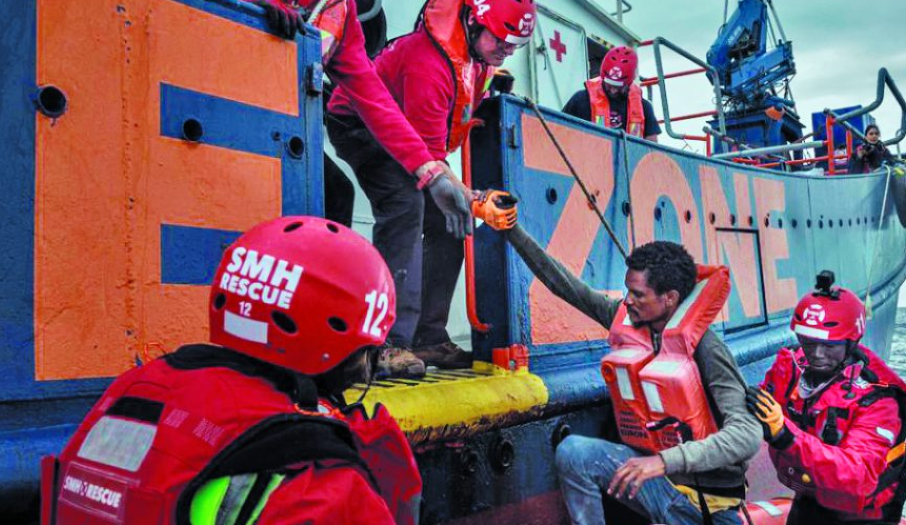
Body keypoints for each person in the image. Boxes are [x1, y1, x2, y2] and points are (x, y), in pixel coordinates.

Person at [42, 216, 421, 525]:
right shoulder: (318, 477)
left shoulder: (135, 388)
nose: (363, 371)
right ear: (329, 347)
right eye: (365, 353)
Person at [475, 199, 757, 524]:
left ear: (670, 299)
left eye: (639, 294)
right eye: (628, 292)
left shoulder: (708, 348)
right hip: (657, 486)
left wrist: (663, 461)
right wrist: (511, 230)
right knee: (574, 453)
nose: (628, 301)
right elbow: (565, 286)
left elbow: (746, 437)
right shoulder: (628, 319)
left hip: (706, 506)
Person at [323, 0, 538, 378]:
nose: (506, 51)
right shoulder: (429, 64)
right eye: (501, 40)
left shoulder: (476, 56)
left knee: (447, 218)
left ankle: (429, 335)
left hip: (406, 133)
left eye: (514, 46)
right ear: (473, 20)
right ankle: (387, 343)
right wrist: (471, 198)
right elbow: (428, 160)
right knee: (405, 205)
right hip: (356, 121)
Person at [253, 0, 466, 232]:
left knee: (336, 195)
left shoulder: (341, 13)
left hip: (272, 120)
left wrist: (431, 175)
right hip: (221, 107)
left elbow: (374, 99)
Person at [749, 270, 906, 525]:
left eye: (829, 346)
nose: (817, 354)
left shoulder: (879, 400)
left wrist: (785, 435)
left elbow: (858, 475)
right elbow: (762, 402)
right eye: (809, 343)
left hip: (863, 513)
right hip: (812, 494)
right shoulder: (791, 366)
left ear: (851, 342)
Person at [562, 46, 662, 142]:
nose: (613, 91)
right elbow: (558, 129)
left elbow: (652, 150)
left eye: (618, 87)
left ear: (629, 82)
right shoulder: (580, 100)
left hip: (627, 159)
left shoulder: (644, 108)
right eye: (609, 85)